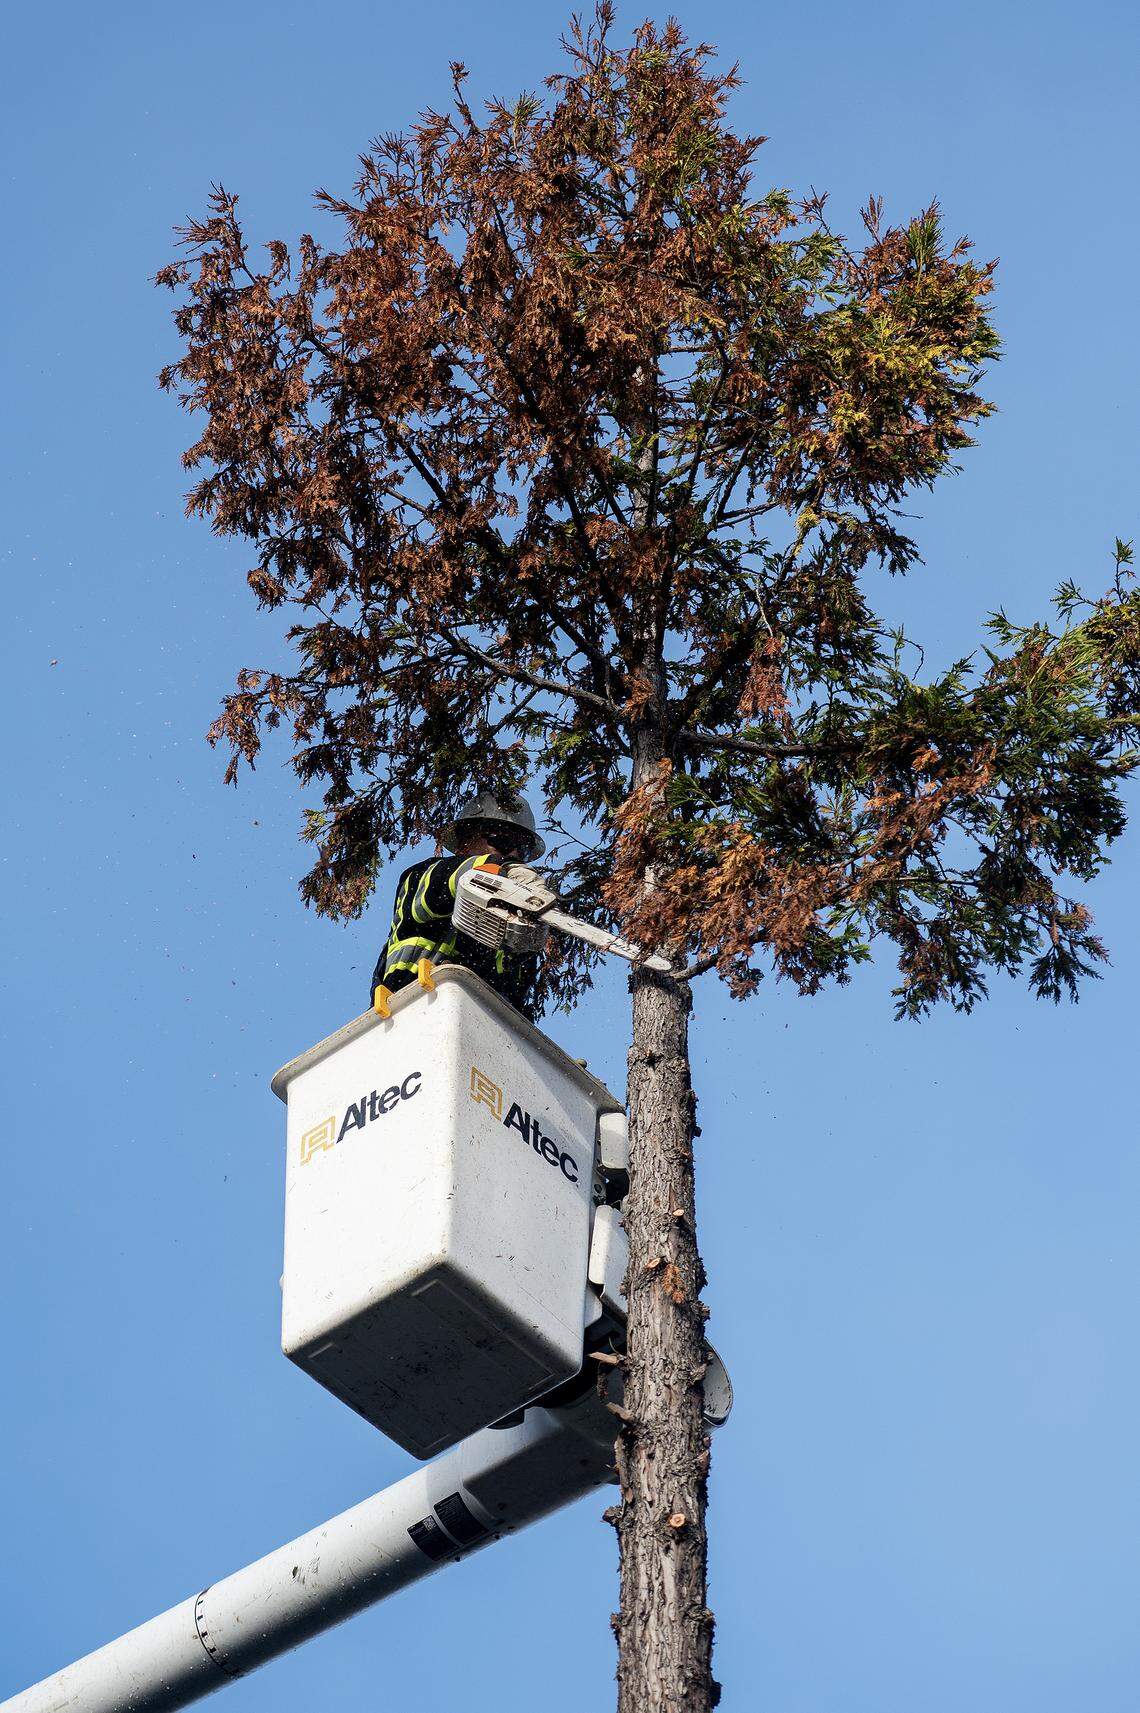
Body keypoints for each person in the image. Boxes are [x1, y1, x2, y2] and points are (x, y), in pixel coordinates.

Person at [371, 791, 546, 1020]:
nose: (512, 854)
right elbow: (451, 880)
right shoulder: (423, 876)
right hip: (409, 1010)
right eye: (502, 841)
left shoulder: (503, 930)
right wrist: (503, 869)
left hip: (475, 1028)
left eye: (520, 850)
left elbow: (512, 1002)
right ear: (466, 842)